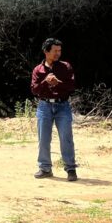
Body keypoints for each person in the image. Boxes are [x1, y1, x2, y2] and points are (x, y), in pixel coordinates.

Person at [30, 38, 77, 181]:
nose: (58, 53)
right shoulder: (38, 70)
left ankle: (71, 169)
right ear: (46, 51)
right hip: (44, 106)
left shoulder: (66, 66)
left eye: (60, 50)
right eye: (55, 51)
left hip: (63, 106)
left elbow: (71, 86)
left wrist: (58, 83)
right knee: (43, 139)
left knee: (66, 138)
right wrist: (45, 81)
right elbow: (34, 90)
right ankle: (45, 169)